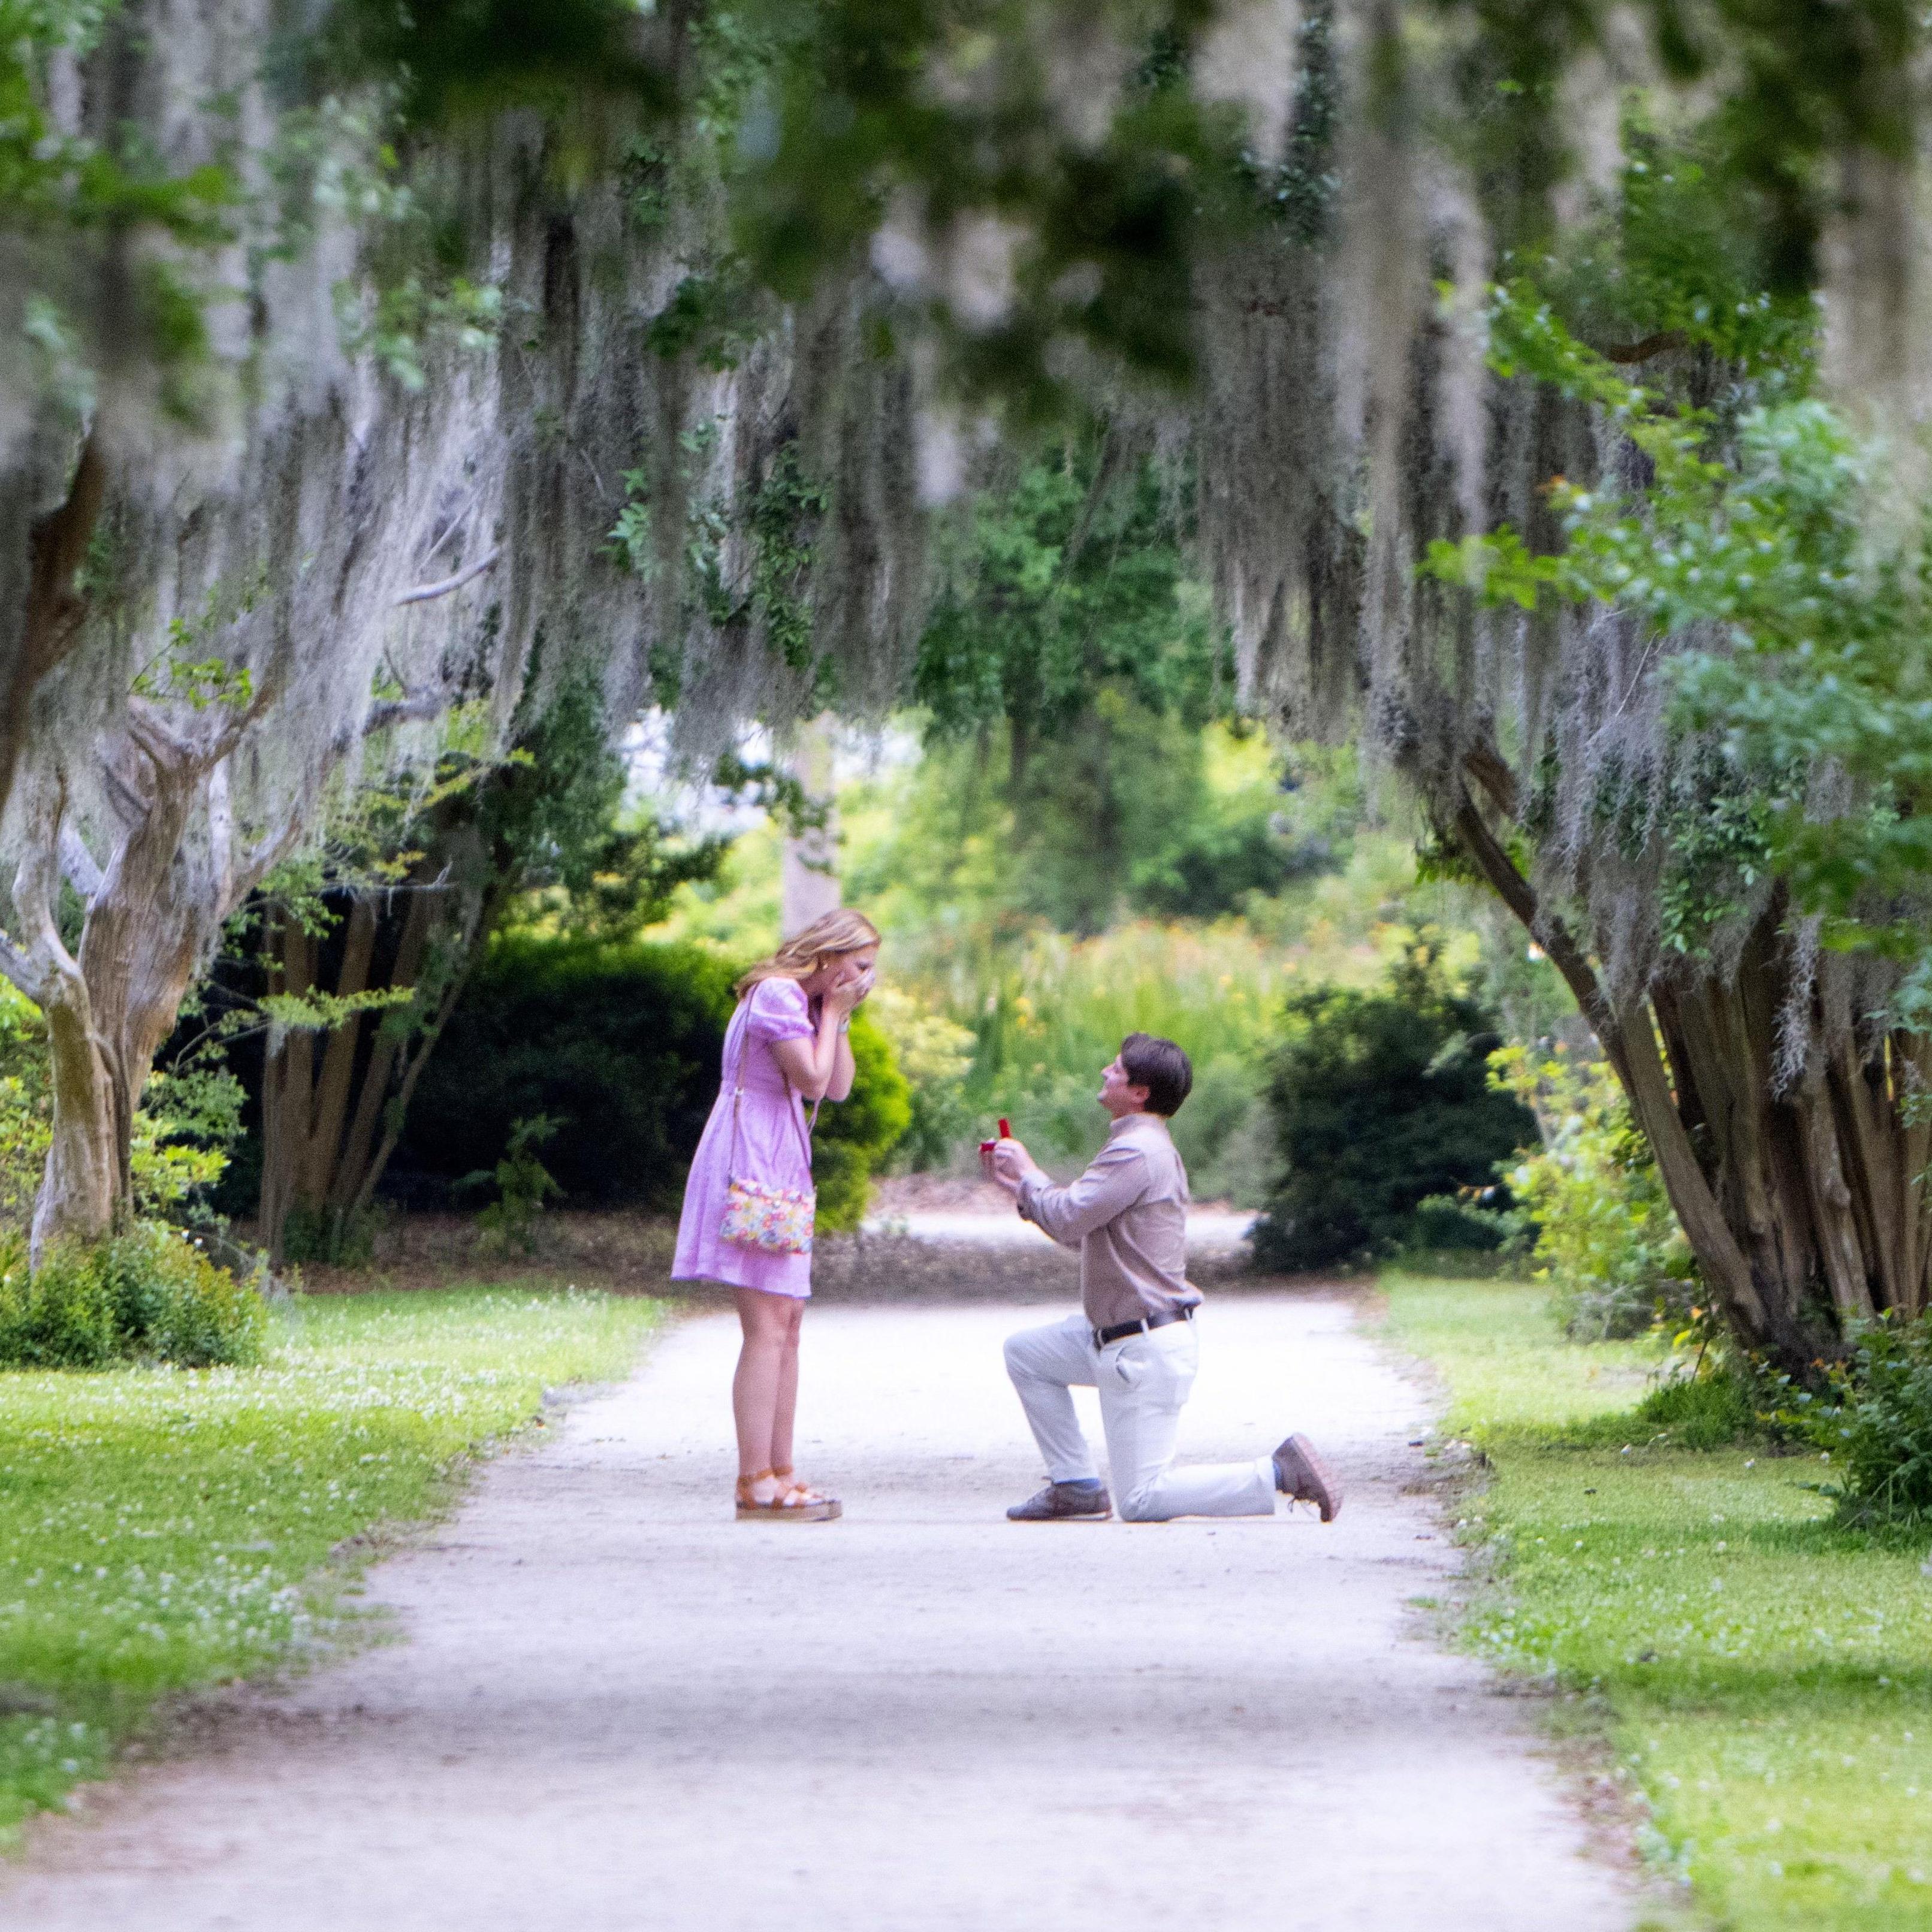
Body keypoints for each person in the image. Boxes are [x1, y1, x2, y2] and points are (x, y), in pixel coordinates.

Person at [989, 1033, 1342, 1524]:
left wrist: (1030, 1175)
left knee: (1143, 1499)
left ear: (1140, 1092)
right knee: (1027, 1354)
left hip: (1142, 1347)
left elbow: (1070, 1217)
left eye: (1115, 1069)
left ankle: (1279, 1473)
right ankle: (1076, 1486)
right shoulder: (1139, 1147)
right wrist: (1027, 1196)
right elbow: (1083, 1234)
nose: (1103, 1074)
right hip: (1121, 1338)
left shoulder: (1135, 1152)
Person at [674, 907, 880, 1522]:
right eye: (861, 966)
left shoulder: (809, 1006)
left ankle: (782, 1469)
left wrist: (837, 1021)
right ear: (830, 955)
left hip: (780, 1158)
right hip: (750, 1160)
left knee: (787, 1321)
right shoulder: (775, 994)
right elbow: (811, 1079)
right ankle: (754, 1478)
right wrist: (835, 1015)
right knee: (765, 1324)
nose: (868, 978)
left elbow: (837, 1085)